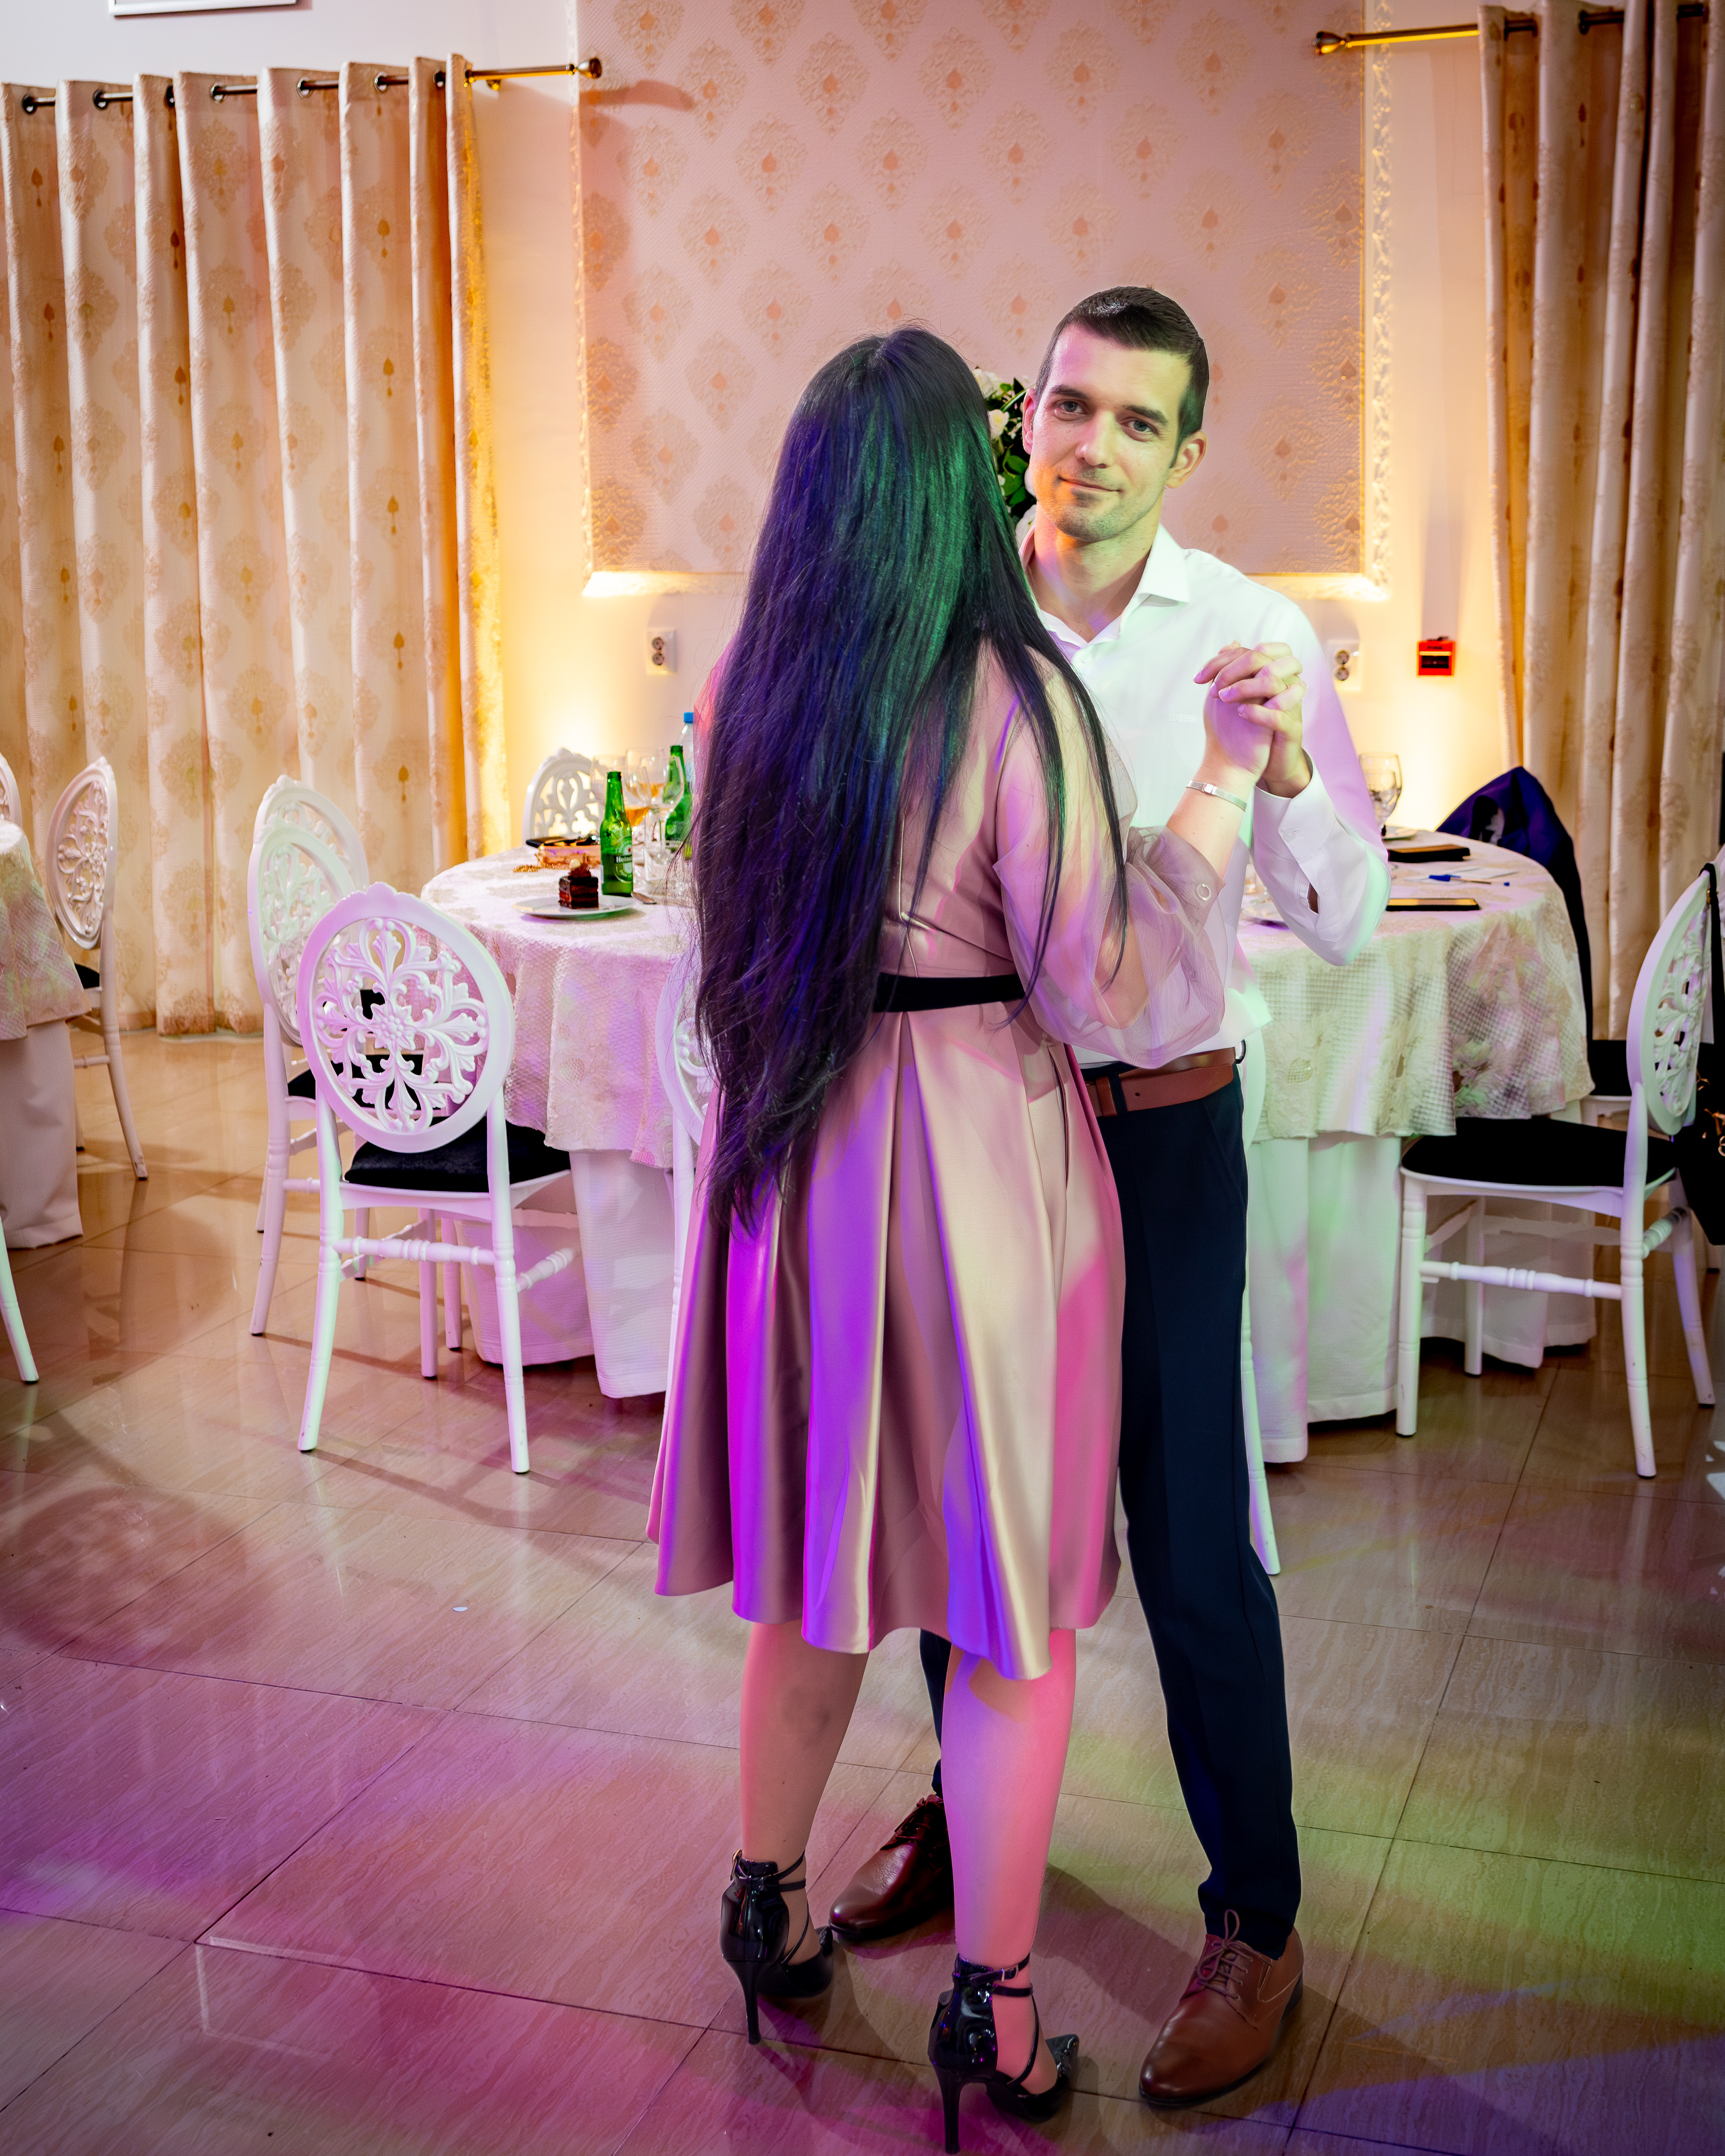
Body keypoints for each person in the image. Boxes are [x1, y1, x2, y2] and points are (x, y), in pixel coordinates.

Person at [647, 323, 1305, 2150]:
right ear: (965, 485)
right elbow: (1106, 990)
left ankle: (766, 1900)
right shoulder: (1011, 700)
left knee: (815, 1574)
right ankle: (996, 2009)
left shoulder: (755, 683)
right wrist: (1219, 784)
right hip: (970, 1173)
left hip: (797, 1161)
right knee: (1009, 1612)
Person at [827, 289, 1390, 2111]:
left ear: (1187, 448)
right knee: (962, 1507)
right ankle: (974, 1813)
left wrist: (1282, 774)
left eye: (1138, 420)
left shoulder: (1248, 633)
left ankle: (1258, 1917)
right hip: (977, 1122)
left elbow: (1352, 917)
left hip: (1158, 1130)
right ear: (1029, 418)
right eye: (1070, 405)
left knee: (1191, 1527)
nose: (1093, 445)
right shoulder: (941, 600)